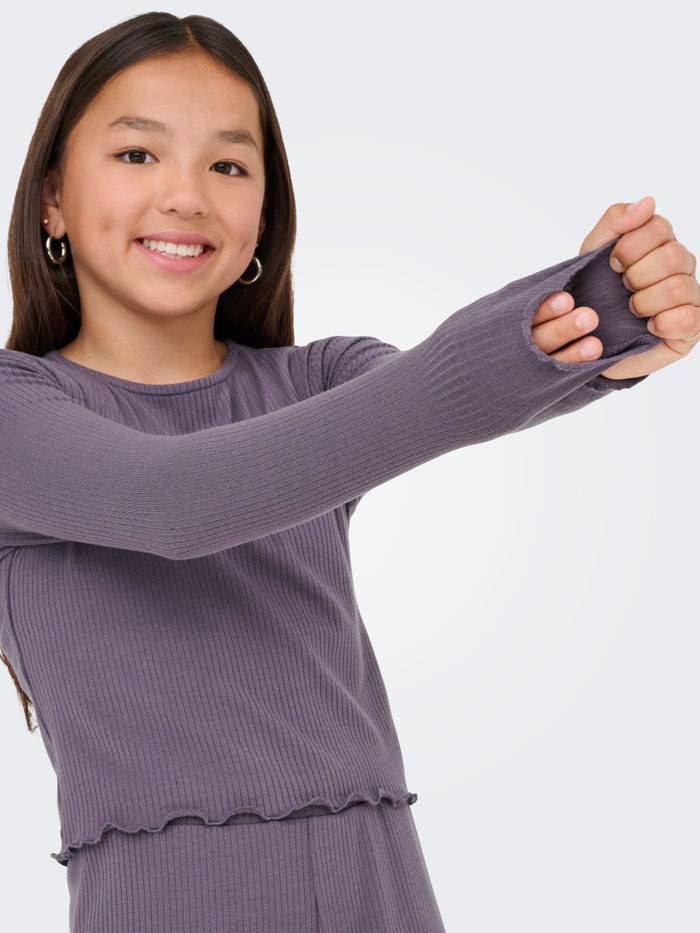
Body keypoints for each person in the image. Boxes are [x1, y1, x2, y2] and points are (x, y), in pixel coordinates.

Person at [0, 11, 698, 933]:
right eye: (138, 154)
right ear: (51, 199)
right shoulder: (16, 412)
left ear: (263, 216)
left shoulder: (320, 380)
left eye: (229, 165)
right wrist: (526, 342)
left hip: (381, 890)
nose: (186, 196)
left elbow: (421, 400)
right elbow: (175, 501)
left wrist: (603, 319)